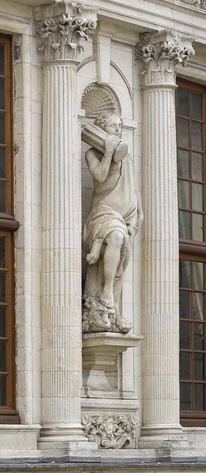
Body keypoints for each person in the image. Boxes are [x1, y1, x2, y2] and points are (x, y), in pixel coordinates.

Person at [81, 109, 138, 334]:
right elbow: (99, 176)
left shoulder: (127, 158)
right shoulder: (92, 154)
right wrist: (109, 152)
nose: (118, 130)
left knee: (122, 255)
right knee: (115, 236)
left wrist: (139, 212)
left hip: (124, 216)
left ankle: (112, 309)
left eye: (119, 126)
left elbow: (133, 188)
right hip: (102, 212)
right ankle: (106, 293)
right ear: (101, 128)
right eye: (113, 126)